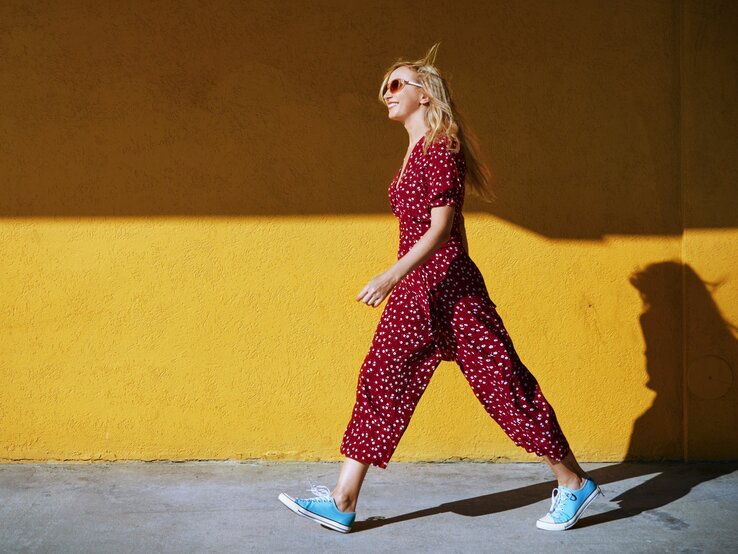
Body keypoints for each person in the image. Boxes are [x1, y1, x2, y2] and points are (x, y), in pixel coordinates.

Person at [278, 43, 603, 533]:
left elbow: (441, 227)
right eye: (383, 87)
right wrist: (401, 279)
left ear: (425, 94)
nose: (385, 94)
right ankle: (343, 500)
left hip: (452, 289)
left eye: (395, 85)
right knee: (380, 380)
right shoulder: (414, 149)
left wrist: (389, 275)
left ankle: (572, 482)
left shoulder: (440, 148)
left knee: (505, 387)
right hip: (417, 292)